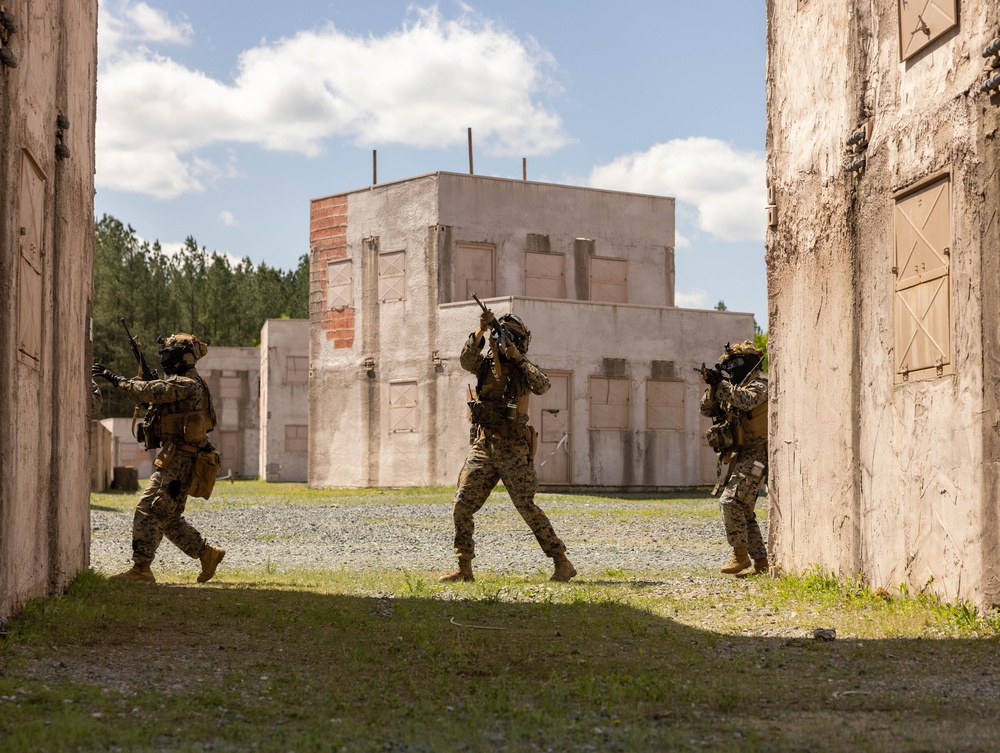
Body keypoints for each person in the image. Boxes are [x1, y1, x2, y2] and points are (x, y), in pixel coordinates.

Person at [440, 307, 576, 583]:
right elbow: (467, 361)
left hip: (513, 448)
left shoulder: (523, 369)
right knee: (461, 505)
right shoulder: (486, 365)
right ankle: (464, 568)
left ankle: (562, 562)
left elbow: (544, 386)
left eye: (507, 340)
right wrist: (480, 329)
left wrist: (518, 358)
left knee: (526, 506)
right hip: (484, 444)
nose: (502, 344)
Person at [92, 333, 225, 584]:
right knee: (167, 517)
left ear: (181, 359)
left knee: (148, 508)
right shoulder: (190, 383)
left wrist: (115, 379)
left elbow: (151, 391)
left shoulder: (187, 384)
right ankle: (207, 554)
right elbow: (162, 403)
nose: (165, 360)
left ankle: (141, 570)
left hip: (181, 461)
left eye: (168, 355)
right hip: (180, 458)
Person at [699, 340, 769, 577]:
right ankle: (761, 564)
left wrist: (722, 386)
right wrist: (713, 385)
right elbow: (706, 409)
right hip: (742, 455)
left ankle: (740, 556)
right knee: (744, 511)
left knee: (730, 502)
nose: (732, 369)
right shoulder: (730, 387)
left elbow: (746, 401)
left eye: (736, 363)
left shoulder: (760, 384)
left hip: (759, 454)